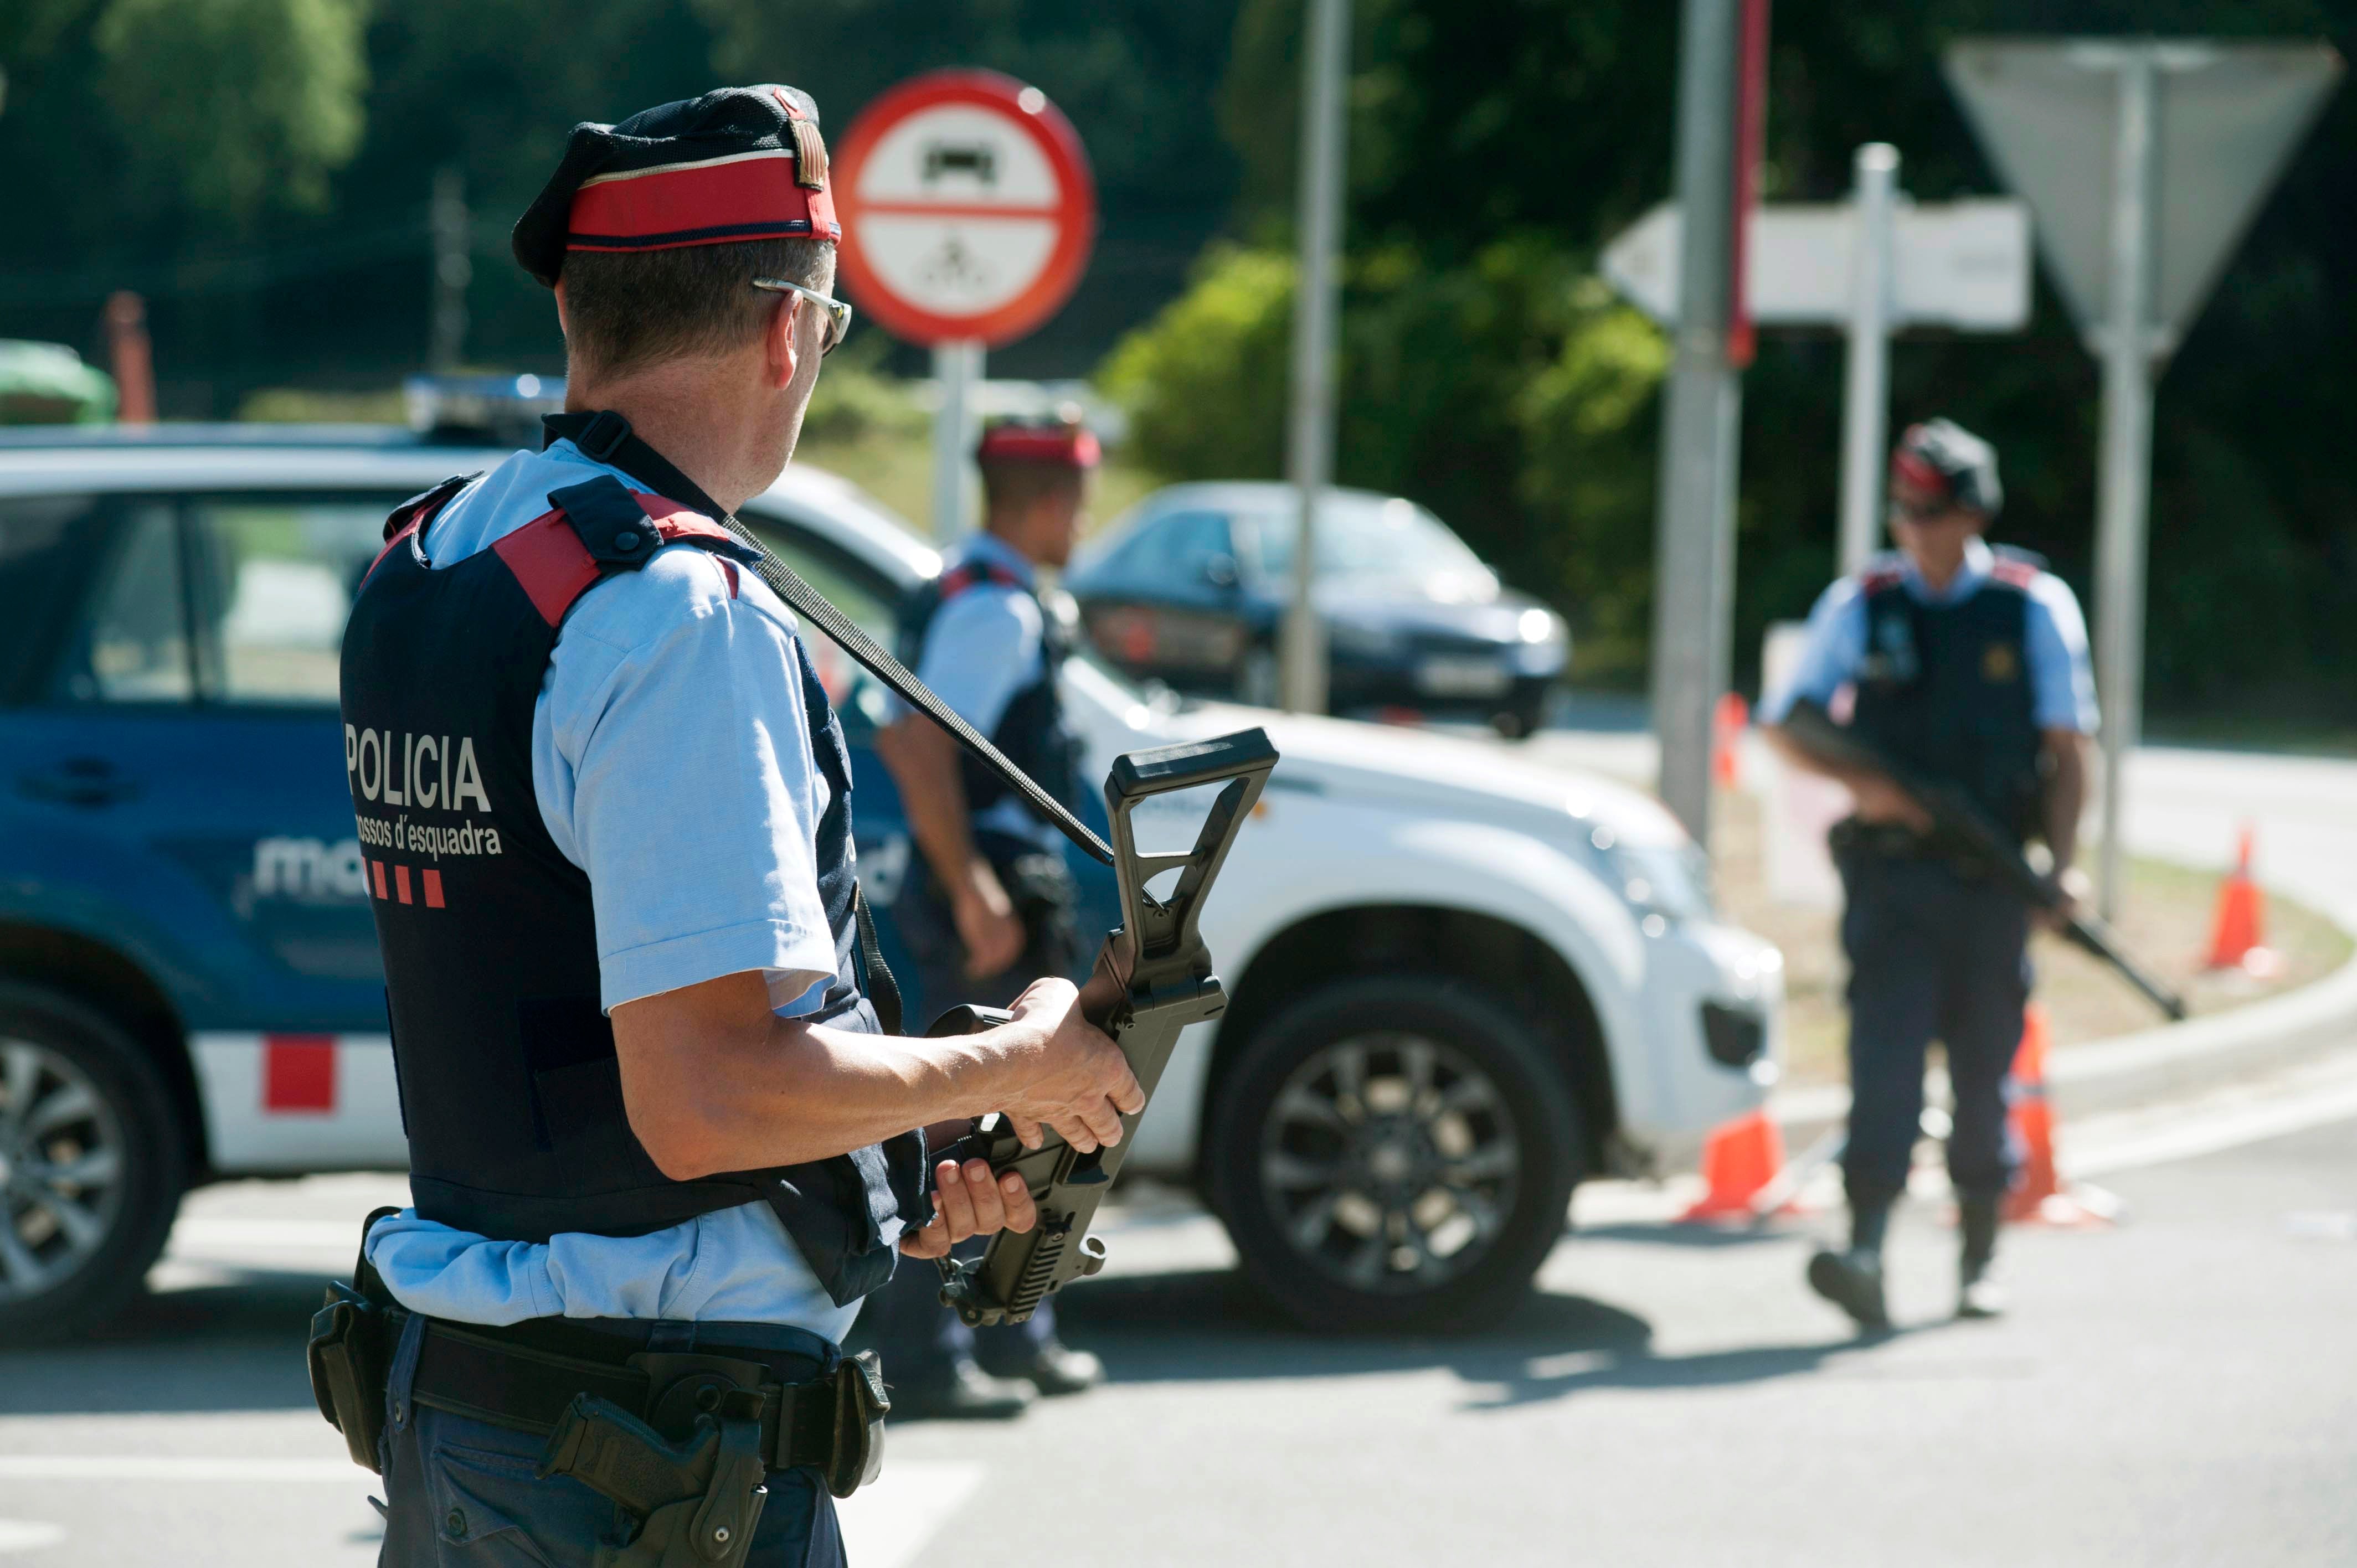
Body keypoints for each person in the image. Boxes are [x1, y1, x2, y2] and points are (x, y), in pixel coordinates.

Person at [336, 85, 1142, 1567]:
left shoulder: (443, 554)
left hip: (475, 1421)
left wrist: (886, 1146)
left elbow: (572, 1024)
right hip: (646, 1463)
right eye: (829, 336)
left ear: (582, 314)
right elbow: (701, 1099)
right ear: (788, 332)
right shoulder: (672, 609)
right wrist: (1021, 1060)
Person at [1760, 418, 2097, 1330]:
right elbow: (1788, 721)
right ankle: (1864, 1249)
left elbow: (2069, 751)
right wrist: (1872, 789)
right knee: (1884, 1066)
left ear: (1972, 512)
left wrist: (2064, 872)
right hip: (1893, 882)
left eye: (1931, 511)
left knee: (1986, 1073)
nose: (1914, 529)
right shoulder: (1864, 600)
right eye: (1903, 511)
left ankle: (1979, 1259)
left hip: (1991, 884)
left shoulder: (2031, 605)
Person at [858, 415, 1107, 1417]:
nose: (1083, 522)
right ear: (1048, 502)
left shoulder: (971, 586)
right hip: (988, 884)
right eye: (1080, 503)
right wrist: (975, 892)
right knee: (963, 1127)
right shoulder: (995, 610)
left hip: (991, 877)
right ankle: (926, 1354)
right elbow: (916, 743)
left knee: (1021, 1124)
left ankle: (1015, 1333)